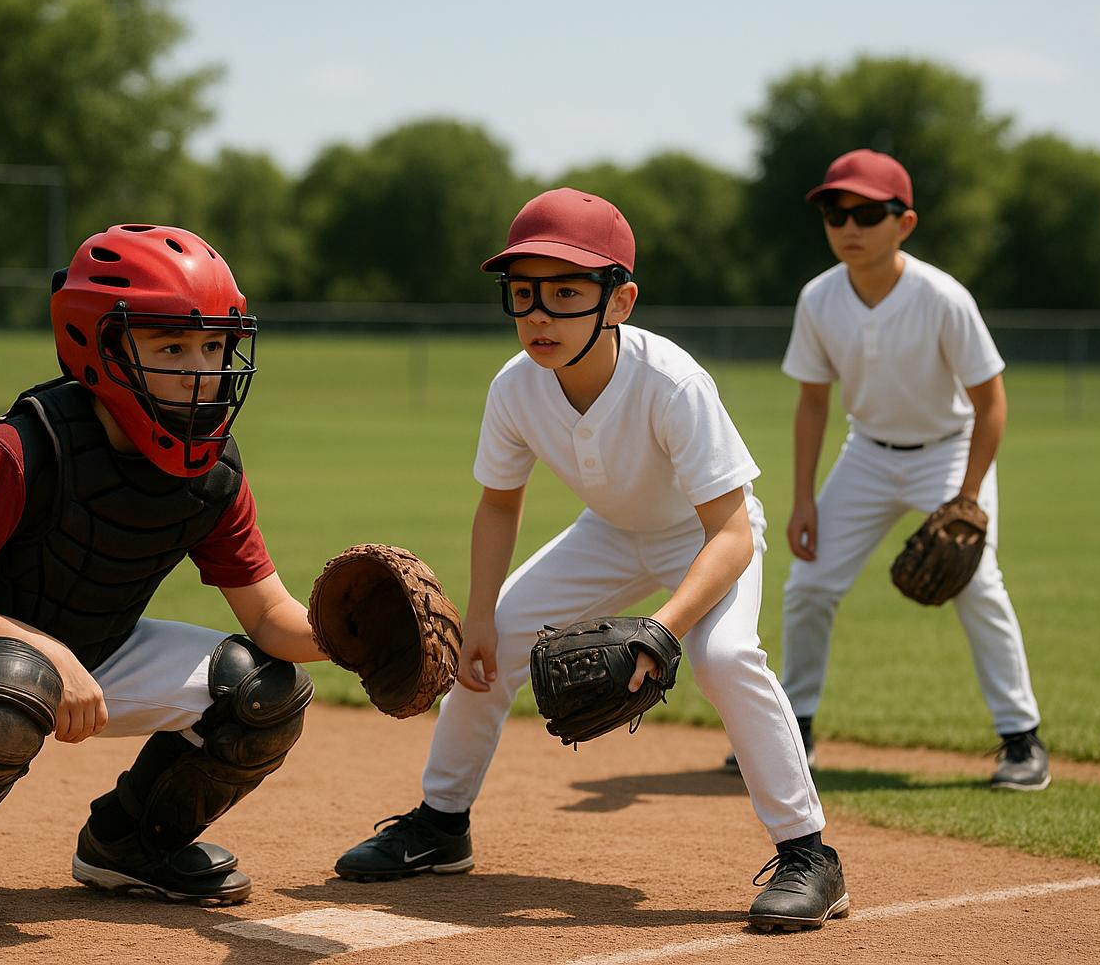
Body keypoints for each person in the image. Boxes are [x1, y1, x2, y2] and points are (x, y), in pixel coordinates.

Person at [333, 188, 849, 932]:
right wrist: (478, 615)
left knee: (727, 656)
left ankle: (810, 857)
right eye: (523, 292)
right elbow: (499, 504)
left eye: (566, 291)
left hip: (702, 538)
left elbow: (732, 533)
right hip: (608, 534)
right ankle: (441, 825)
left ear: (620, 300)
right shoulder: (514, 389)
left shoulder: (671, 382)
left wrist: (662, 631)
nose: (539, 314)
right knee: (495, 643)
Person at [0, 224, 327, 942]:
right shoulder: (23, 447)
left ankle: (132, 845)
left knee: (265, 689)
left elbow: (270, 617)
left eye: (216, 345)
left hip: (90, 653)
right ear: (99, 347)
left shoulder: (213, 468)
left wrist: (356, 637)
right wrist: (47, 652)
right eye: (171, 347)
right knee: (14, 685)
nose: (204, 368)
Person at [756, 149, 1048, 791]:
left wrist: (967, 498)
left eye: (867, 212)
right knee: (808, 585)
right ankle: (795, 730)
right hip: (866, 453)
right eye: (836, 212)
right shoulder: (819, 297)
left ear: (904, 223)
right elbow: (812, 402)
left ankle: (1021, 740)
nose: (848, 226)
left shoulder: (941, 297)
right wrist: (802, 499)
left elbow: (991, 401)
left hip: (948, 451)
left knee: (977, 584)